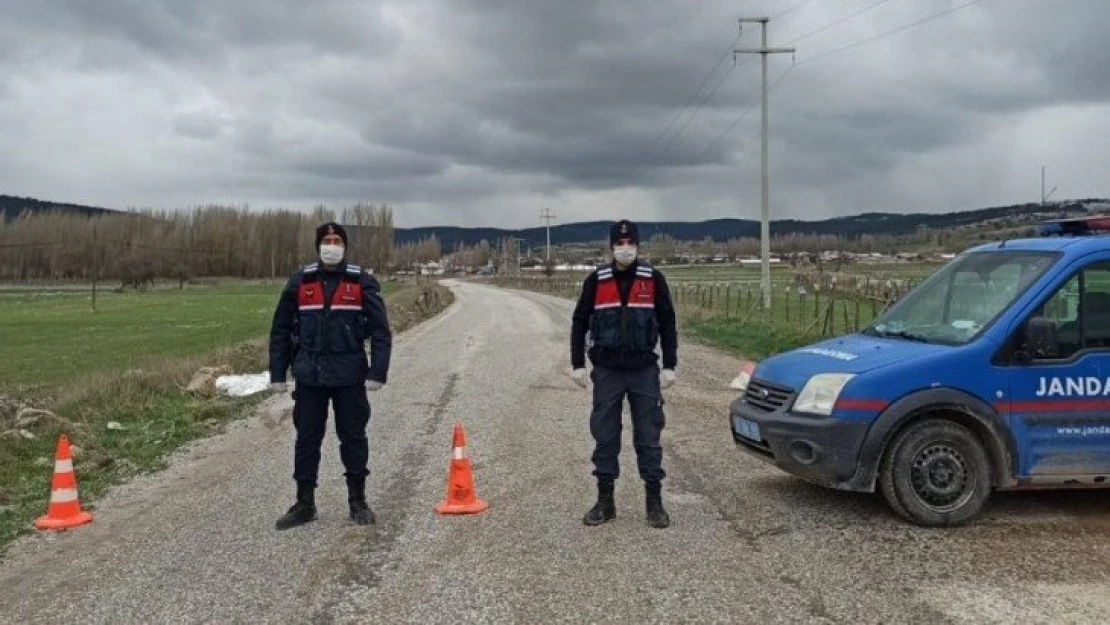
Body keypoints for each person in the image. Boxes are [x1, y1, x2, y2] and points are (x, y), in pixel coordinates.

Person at [268, 221, 392, 530]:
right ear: (318, 245)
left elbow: (380, 332)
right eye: (327, 240)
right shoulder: (300, 282)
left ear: (345, 246)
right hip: (310, 376)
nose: (332, 245)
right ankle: (304, 503)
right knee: (307, 439)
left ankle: (358, 501)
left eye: (337, 240)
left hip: (349, 376)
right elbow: (280, 330)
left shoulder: (361, 282)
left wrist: (378, 371)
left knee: (353, 437)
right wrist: (277, 372)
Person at [570, 219, 678, 528]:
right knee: (605, 436)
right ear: (611, 247)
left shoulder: (653, 279)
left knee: (649, 436)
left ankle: (654, 502)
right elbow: (579, 322)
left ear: (638, 246)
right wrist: (577, 363)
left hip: (643, 369)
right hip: (606, 371)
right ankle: (605, 502)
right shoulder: (596, 280)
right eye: (620, 243)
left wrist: (670, 364)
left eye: (631, 243)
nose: (626, 248)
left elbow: (668, 323)